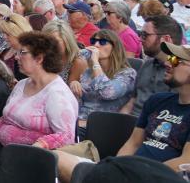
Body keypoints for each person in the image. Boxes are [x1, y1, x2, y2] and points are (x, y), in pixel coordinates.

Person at [57, 40, 190, 182]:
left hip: (158, 178)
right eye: (169, 58)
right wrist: (115, 168)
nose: (167, 64)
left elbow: (185, 161)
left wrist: (142, 174)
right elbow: (132, 144)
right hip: (128, 172)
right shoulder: (157, 101)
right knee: (56, 158)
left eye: (175, 60)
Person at [0, 31, 78, 156]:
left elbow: (67, 136)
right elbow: (6, 117)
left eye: (22, 52)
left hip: (31, 157)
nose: (16, 57)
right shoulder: (22, 84)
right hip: (3, 149)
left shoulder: (57, 94)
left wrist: (39, 145)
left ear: (39, 58)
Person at [71, 28, 136, 138]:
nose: (96, 45)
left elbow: (107, 92)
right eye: (93, 41)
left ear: (114, 47)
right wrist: (74, 87)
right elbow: (81, 103)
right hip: (78, 123)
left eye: (102, 42)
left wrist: (95, 61)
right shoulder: (88, 72)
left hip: (103, 127)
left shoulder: (128, 74)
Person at [127, 14, 181, 117]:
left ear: (165, 39)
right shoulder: (147, 64)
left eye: (145, 35)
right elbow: (132, 101)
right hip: (131, 123)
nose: (140, 39)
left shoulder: (179, 70)